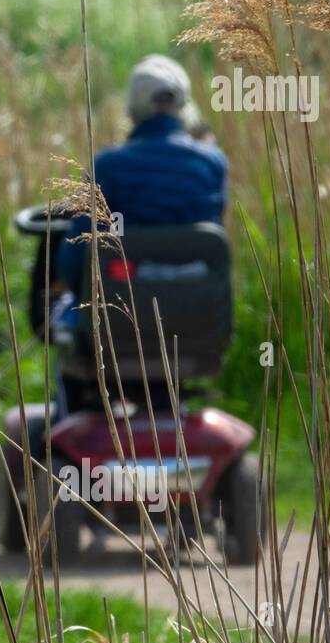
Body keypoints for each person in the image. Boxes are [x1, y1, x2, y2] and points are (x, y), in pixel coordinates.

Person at [49, 55, 227, 411]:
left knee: (62, 316)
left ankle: (68, 419)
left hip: (116, 329)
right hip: (195, 323)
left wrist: (66, 283)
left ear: (133, 107)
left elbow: (75, 256)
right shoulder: (212, 164)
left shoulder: (110, 165)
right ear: (183, 104)